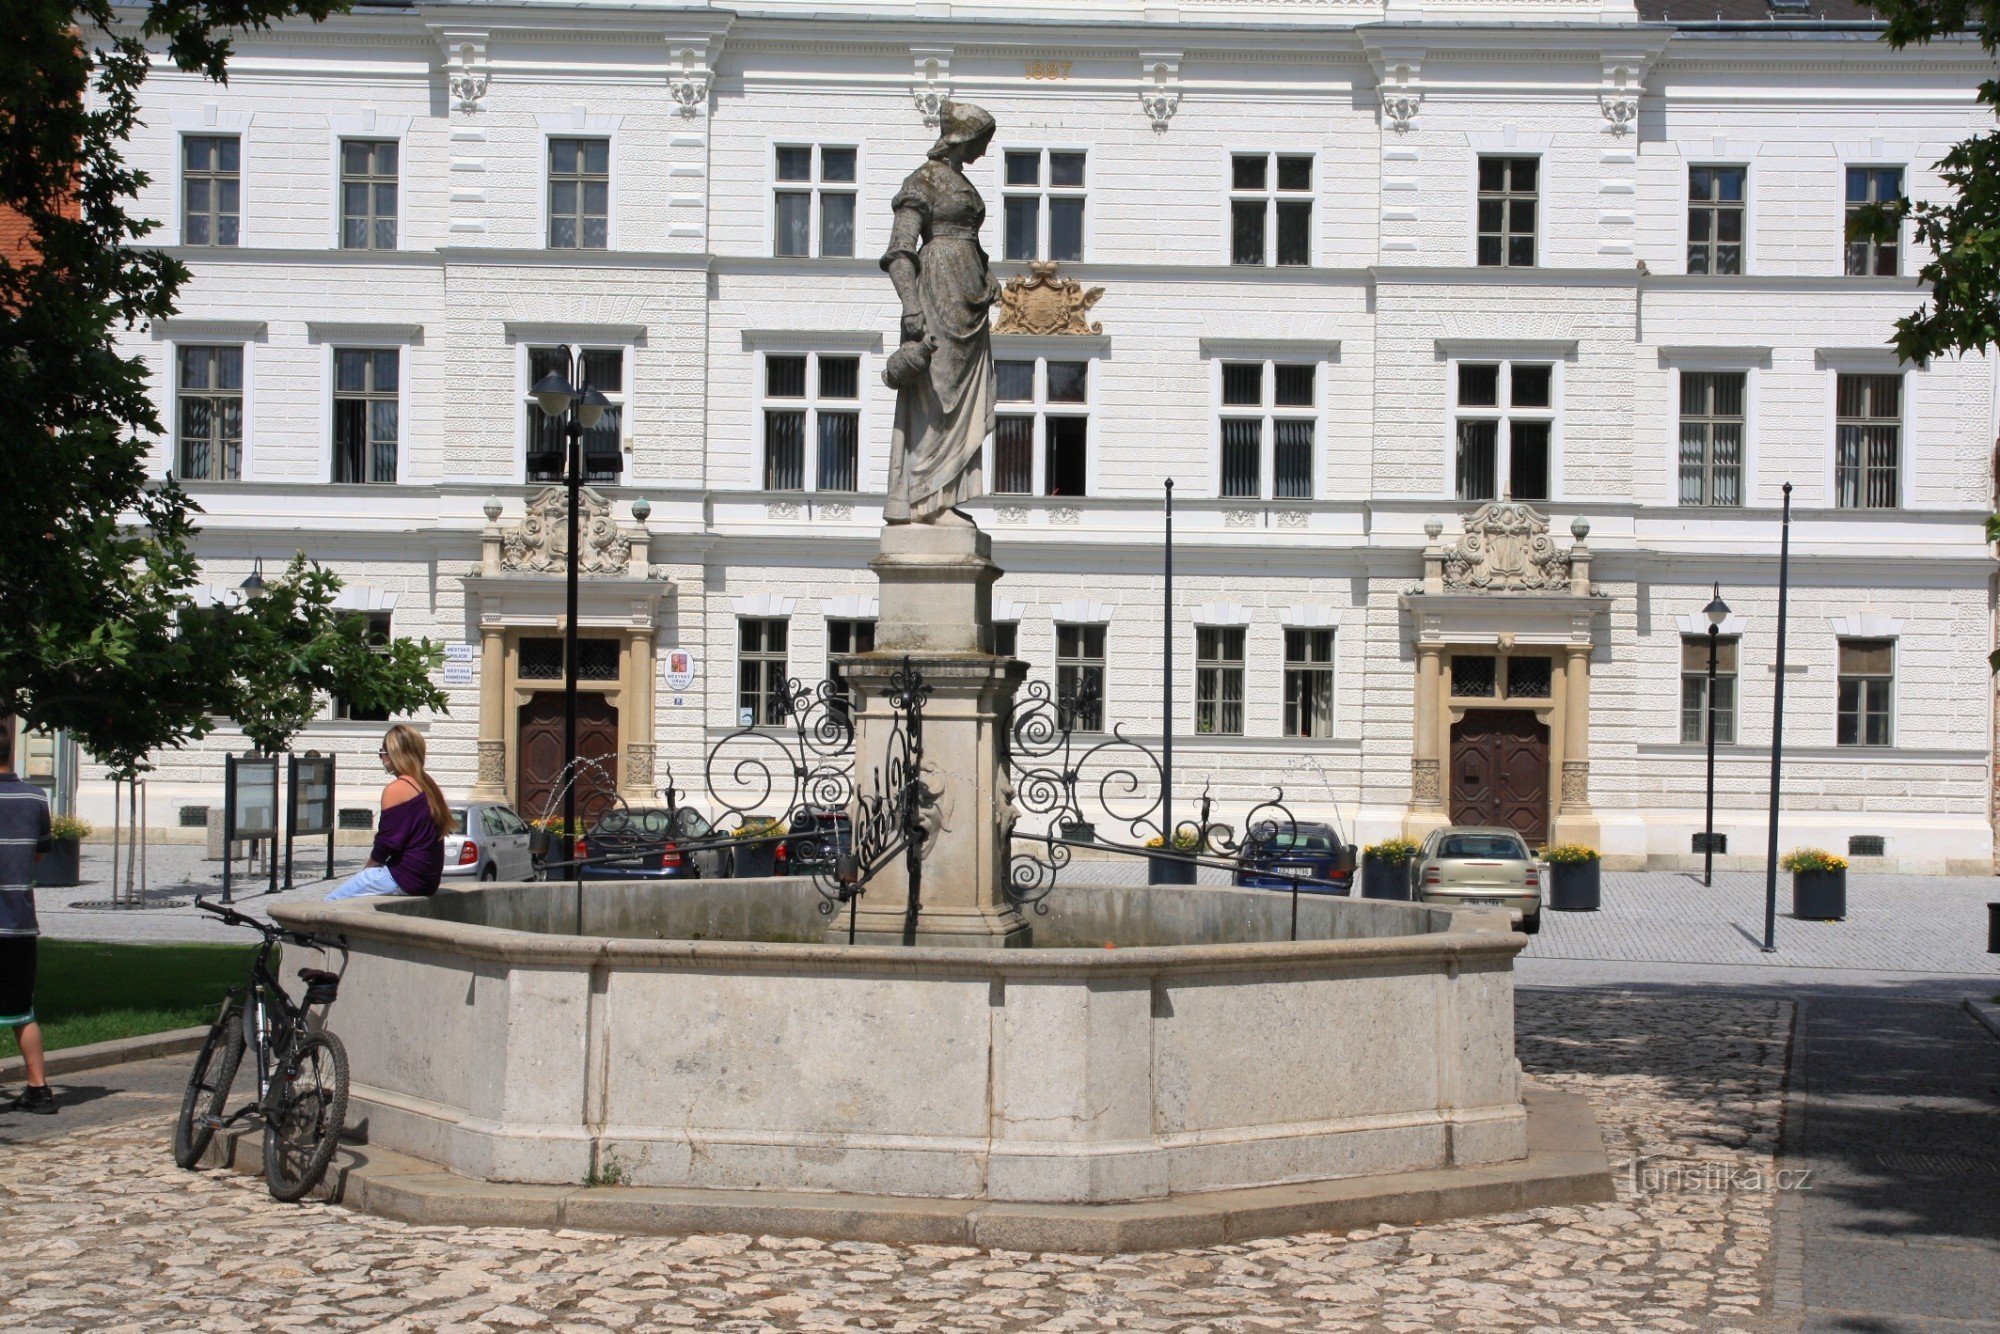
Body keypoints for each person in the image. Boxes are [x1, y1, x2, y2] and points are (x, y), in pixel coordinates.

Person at [880, 100, 1002, 526]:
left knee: (962, 398)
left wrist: (985, 273)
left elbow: (970, 239)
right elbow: (899, 251)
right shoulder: (923, 181)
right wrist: (911, 305)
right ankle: (923, 502)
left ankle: (946, 497)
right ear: (961, 138)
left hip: (969, 302)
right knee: (937, 393)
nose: (984, 152)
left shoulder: (962, 183)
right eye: (981, 142)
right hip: (937, 293)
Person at [0, 720, 56, 1114]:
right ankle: (39, 1090)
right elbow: (39, 853)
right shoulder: (36, 797)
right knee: (22, 1010)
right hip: (19, 920)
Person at [326, 724, 448, 900]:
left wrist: (367, 870)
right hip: (427, 880)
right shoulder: (428, 785)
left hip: (403, 877)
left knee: (328, 904)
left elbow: (386, 844)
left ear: (395, 754)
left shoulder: (397, 788)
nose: (381, 758)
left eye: (382, 752)